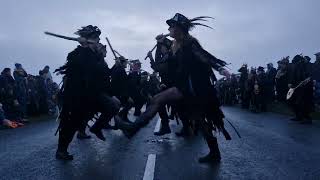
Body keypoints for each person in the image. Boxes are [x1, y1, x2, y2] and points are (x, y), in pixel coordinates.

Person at [127, 13, 231, 163]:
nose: (169, 28)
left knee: (158, 99)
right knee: (200, 120)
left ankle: (133, 128)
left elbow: (204, 56)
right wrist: (159, 45)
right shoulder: (176, 45)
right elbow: (163, 64)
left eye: (172, 26)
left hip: (195, 88)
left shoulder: (190, 43)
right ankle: (215, 153)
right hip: (185, 88)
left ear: (179, 29)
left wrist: (220, 69)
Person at [54, 25, 134, 160]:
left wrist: (111, 92)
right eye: (95, 38)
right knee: (71, 123)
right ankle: (61, 150)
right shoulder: (78, 53)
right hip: (77, 97)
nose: (98, 41)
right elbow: (83, 66)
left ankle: (97, 128)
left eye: (97, 38)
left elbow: (103, 76)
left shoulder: (97, 57)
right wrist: (85, 48)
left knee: (114, 105)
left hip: (94, 95)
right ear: (87, 39)